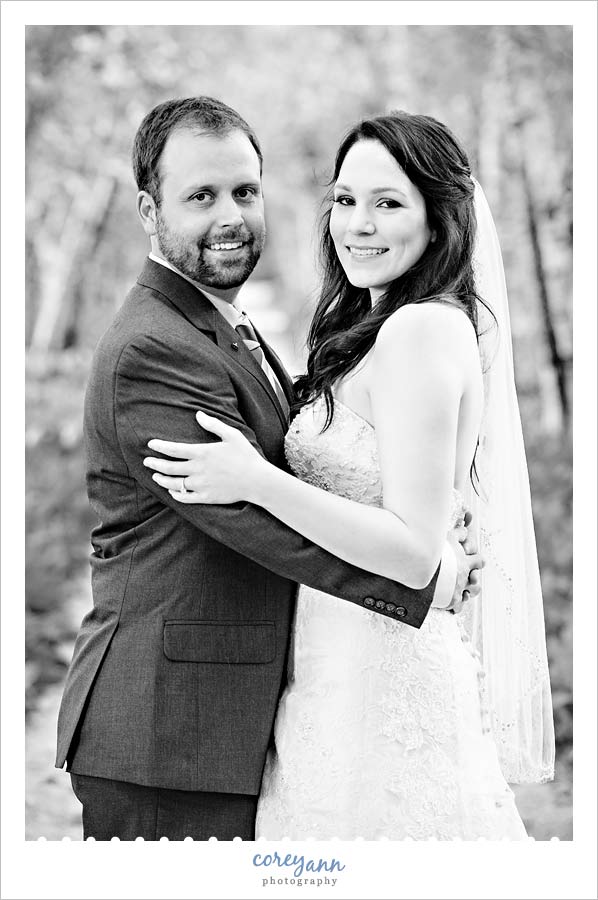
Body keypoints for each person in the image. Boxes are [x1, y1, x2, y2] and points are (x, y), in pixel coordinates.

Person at [55, 98, 481, 841]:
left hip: (248, 717)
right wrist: (426, 573)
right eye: (201, 196)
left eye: (245, 192)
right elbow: (255, 527)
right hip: (167, 732)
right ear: (149, 211)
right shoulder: (153, 349)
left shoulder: (227, 320)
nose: (232, 217)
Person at [144, 111, 555, 839]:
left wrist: (256, 480)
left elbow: (410, 551)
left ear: (440, 220)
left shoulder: (418, 330)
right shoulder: (380, 327)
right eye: (345, 200)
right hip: (331, 667)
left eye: (389, 203)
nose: (358, 225)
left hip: (382, 679)